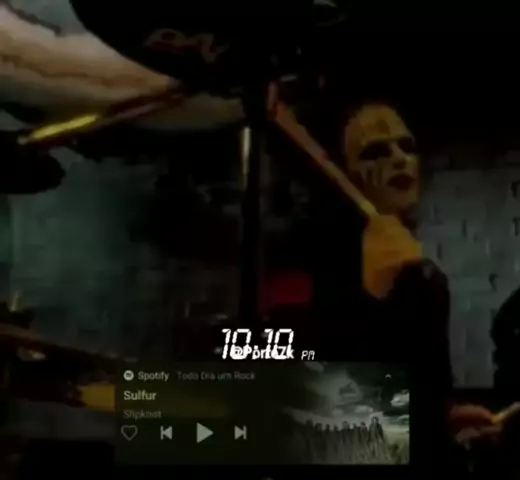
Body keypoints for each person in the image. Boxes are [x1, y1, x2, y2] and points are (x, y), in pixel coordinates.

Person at [263, 102, 498, 470]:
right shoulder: (313, 266)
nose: (399, 158)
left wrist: (447, 415)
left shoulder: (423, 276)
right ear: (346, 174)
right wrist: (369, 299)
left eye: (407, 146)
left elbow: (421, 389)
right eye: (375, 152)